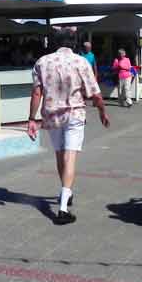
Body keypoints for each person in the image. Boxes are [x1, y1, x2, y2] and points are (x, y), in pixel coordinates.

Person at [27, 30, 110, 225]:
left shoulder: (42, 62)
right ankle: (63, 208)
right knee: (70, 155)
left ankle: (66, 191)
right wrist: (102, 112)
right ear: (74, 43)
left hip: (51, 113)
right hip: (74, 113)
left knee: (59, 154)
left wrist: (31, 119)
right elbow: (95, 94)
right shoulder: (81, 62)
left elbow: (36, 93)